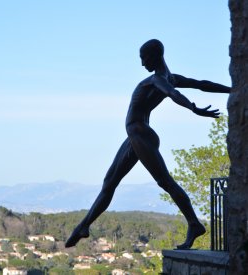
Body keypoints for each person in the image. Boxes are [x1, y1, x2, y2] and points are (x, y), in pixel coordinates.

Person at [65, 39, 230, 249]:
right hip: (135, 136)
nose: (142, 64)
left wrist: (193, 108)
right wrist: (233, 89)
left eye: (144, 58)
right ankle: (84, 225)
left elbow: (173, 94)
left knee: (165, 181)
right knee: (109, 183)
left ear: (156, 55)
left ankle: (194, 224)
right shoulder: (170, 78)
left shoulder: (157, 80)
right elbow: (201, 84)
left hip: (140, 133)